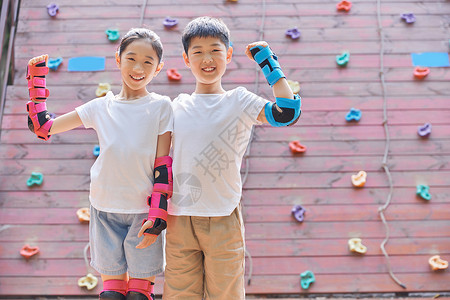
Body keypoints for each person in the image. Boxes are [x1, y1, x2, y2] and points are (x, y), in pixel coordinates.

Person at [25, 28, 173, 300]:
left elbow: (163, 164)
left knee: (140, 296)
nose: (138, 67)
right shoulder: (99, 107)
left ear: (159, 67)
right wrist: (36, 85)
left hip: (142, 212)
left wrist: (158, 214)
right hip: (104, 208)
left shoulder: (162, 106)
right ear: (118, 59)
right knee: (112, 296)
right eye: (131, 58)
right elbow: (44, 127)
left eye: (148, 62)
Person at [164, 16, 301, 299]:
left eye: (215, 50)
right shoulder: (175, 106)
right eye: (198, 52)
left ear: (228, 54)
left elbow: (287, 112)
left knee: (226, 295)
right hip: (179, 217)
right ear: (186, 59)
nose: (207, 59)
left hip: (223, 215)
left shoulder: (239, 100)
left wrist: (269, 63)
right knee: (179, 295)